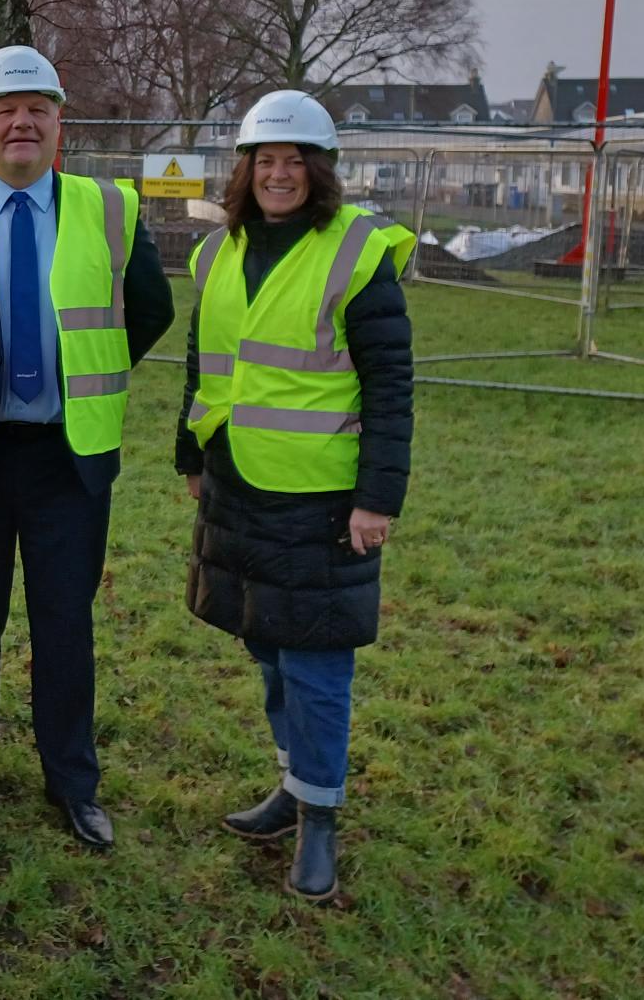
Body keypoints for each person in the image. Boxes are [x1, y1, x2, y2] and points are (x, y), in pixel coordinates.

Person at [0, 45, 173, 849]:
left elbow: (149, 310)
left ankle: (72, 781)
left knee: (65, 623)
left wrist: (85, 372)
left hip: (68, 456)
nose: (22, 123)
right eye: (4, 110)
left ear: (60, 122)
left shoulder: (110, 207)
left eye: (38, 110)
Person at [175, 89, 414, 902]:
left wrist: (377, 498)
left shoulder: (357, 251)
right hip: (238, 479)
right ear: (244, 169)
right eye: (264, 161)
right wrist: (191, 451)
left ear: (321, 170)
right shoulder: (219, 253)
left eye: (295, 161)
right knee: (267, 646)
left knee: (315, 662)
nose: (279, 174)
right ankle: (293, 785)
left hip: (321, 496)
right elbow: (204, 360)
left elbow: (390, 387)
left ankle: (320, 818)